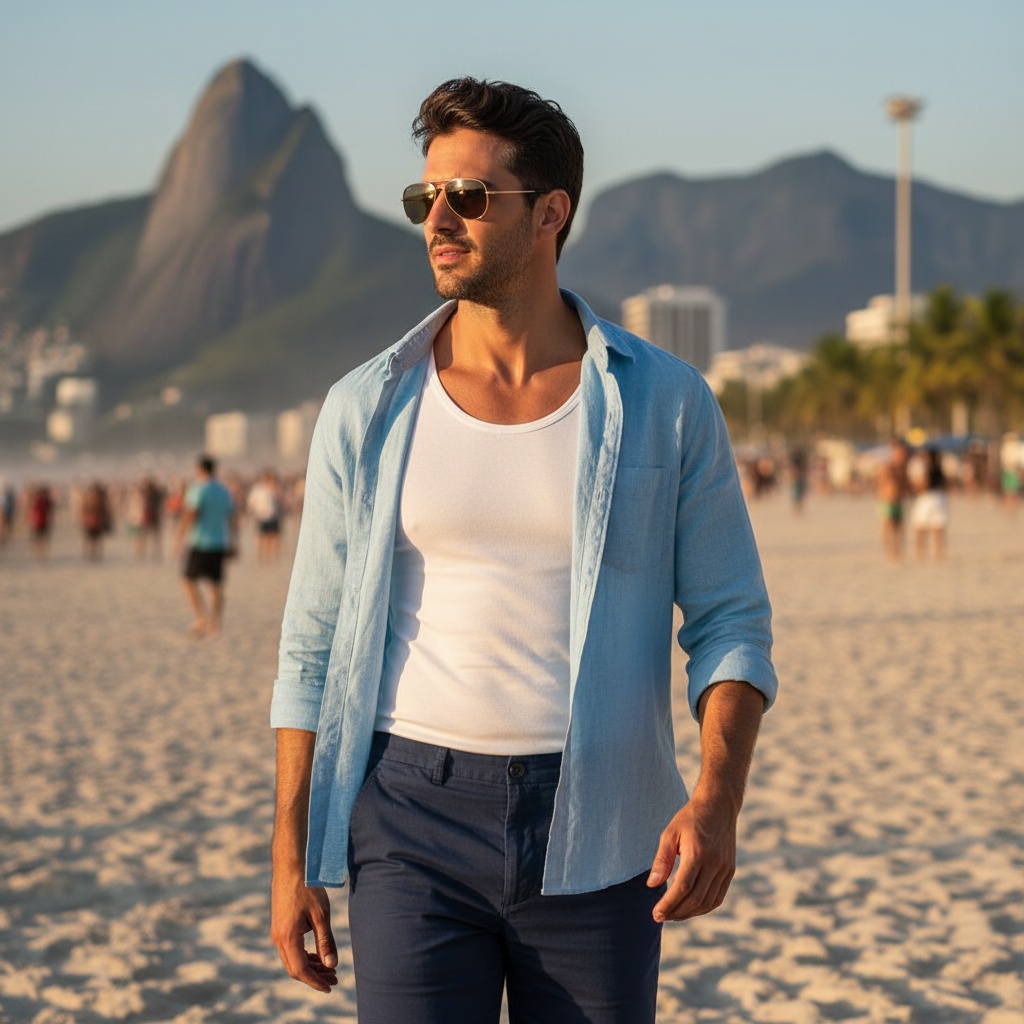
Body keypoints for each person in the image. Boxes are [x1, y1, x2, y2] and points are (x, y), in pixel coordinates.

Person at [269, 78, 777, 1024]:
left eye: (469, 197)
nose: (438, 220)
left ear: (551, 213)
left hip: (601, 812)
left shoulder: (663, 401)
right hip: (410, 809)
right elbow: (312, 641)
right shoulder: (367, 406)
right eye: (426, 199)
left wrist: (716, 801)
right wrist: (291, 855)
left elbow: (731, 622)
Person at [177, 455, 236, 636]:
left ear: (200, 469)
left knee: (188, 580)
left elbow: (191, 513)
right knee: (216, 584)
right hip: (220, 541)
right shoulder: (223, 490)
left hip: (201, 541)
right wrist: (233, 541)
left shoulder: (198, 489)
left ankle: (201, 617)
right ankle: (215, 623)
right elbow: (231, 517)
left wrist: (179, 536)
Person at [910, 447, 949, 559]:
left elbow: (924, 485)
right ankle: (939, 552)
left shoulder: (926, 468)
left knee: (920, 527)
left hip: (926, 499)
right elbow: (945, 485)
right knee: (938, 527)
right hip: (940, 498)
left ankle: (920, 552)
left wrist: (915, 487)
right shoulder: (939, 469)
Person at [876, 438, 911, 560]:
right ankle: (890, 551)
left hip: (898, 500)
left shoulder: (902, 467)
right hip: (887, 500)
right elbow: (879, 482)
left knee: (899, 526)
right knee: (889, 526)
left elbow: (905, 484)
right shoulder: (887, 466)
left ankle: (897, 550)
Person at [246, 469, 284, 562]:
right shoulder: (258, 489)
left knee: (273, 536)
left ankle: (272, 555)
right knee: (262, 536)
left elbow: (281, 500)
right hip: (262, 515)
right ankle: (262, 555)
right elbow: (252, 502)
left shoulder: (275, 488)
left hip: (274, 515)